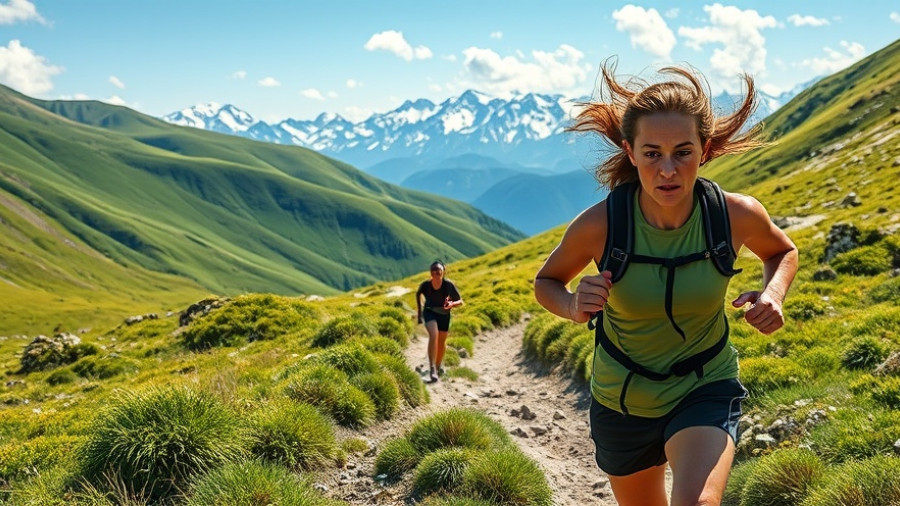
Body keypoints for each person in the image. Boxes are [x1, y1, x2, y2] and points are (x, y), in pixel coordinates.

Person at [534, 61, 798, 506]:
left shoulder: (733, 215)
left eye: (683, 152)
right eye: (652, 153)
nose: (668, 170)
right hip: (622, 398)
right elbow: (547, 282)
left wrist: (773, 294)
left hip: (704, 384)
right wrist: (573, 304)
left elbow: (782, 250)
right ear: (631, 152)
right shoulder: (602, 225)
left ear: (705, 149)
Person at [416, 261, 464, 383]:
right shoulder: (426, 285)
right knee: (434, 334)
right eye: (433, 270)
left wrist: (452, 304)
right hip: (430, 312)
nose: (436, 273)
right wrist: (419, 315)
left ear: (443, 272)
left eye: (438, 270)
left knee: (441, 341)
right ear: (430, 272)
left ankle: (437, 366)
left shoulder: (448, 285)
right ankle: (432, 368)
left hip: (444, 315)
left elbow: (460, 301)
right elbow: (418, 294)